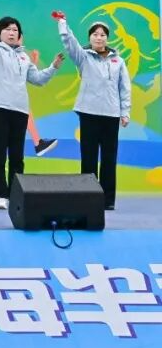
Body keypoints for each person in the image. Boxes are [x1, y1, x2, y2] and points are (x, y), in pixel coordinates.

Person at [0, 16, 63, 210]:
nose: (11, 33)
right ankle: (1, 195)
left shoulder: (24, 57)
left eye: (15, 30)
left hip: (20, 110)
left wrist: (53, 67)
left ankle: (15, 194)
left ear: (19, 35)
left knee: (17, 155)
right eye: (7, 29)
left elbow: (37, 79)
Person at [55, 12, 131, 211]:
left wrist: (125, 112)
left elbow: (124, 88)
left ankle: (107, 200)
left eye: (102, 35)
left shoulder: (118, 61)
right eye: (95, 34)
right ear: (90, 37)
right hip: (88, 113)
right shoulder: (83, 57)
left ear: (107, 38)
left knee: (108, 158)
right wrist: (63, 23)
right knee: (88, 157)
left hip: (111, 114)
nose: (99, 38)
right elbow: (69, 43)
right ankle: (87, 198)